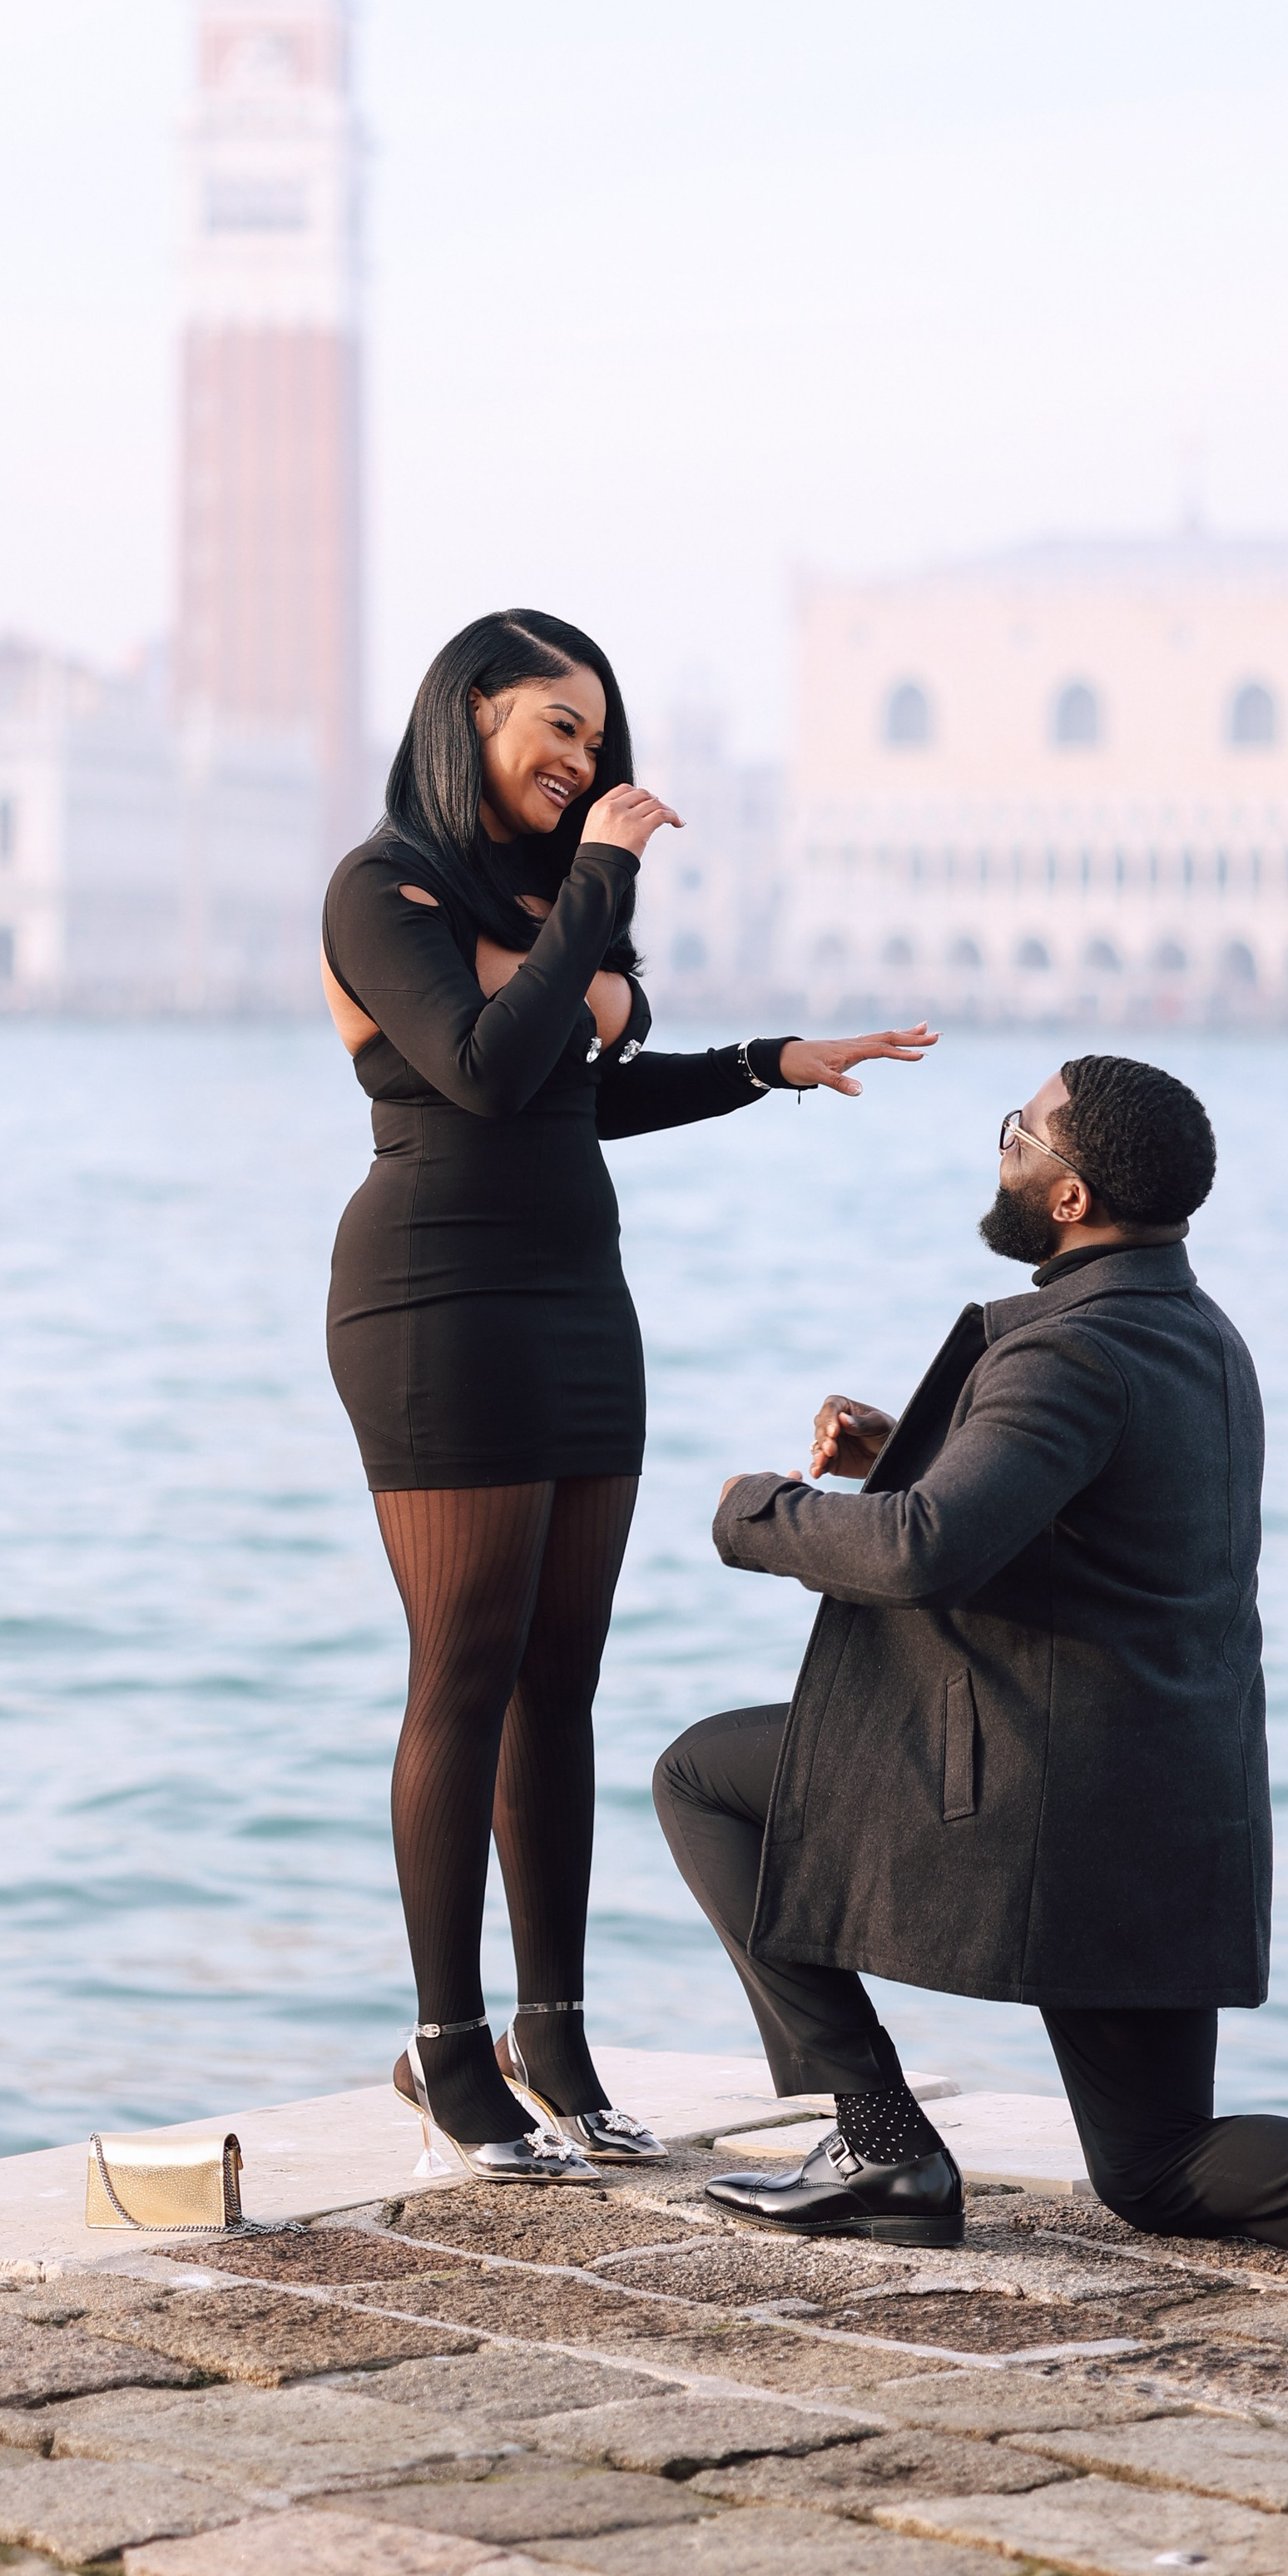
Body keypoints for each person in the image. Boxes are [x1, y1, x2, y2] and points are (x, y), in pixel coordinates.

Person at [654, 1052, 1288, 2326]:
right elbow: (1084, 1528)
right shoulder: (1199, 1335)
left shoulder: (1067, 1349)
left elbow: (924, 1552)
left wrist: (760, 1510)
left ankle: (877, 2136)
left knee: (702, 1775)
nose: (1005, 1148)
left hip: (1047, 1804)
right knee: (1154, 2165)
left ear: (1071, 1197)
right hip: (1178, 1805)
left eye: (1021, 1134)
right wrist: (910, 1454)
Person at [322, 607, 935, 2185]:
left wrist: (764, 1062)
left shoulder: (544, 898)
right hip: (436, 1305)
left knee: (561, 1682)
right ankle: (448, 2046)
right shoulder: (382, 890)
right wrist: (601, 887)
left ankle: (557, 2038)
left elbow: (580, 1099)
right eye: (559, 726)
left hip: (580, 1306)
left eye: (599, 739)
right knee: (463, 1672)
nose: (585, 760)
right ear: (472, 713)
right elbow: (482, 1069)